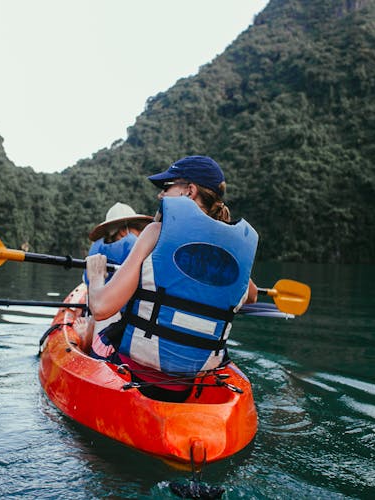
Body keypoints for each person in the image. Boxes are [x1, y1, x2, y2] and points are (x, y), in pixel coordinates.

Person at [86, 155, 258, 402]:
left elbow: (101, 308)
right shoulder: (238, 252)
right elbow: (251, 297)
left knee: (102, 319)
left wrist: (96, 278)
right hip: (185, 387)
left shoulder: (155, 232)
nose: (160, 195)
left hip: (131, 375)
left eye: (167, 188)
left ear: (190, 191)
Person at [75, 203, 152, 353]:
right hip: (118, 317)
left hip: (101, 316)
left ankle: (87, 334)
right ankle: (88, 336)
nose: (141, 234)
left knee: (98, 316)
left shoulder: (98, 250)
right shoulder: (136, 249)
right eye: (138, 228)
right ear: (124, 231)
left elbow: (87, 284)